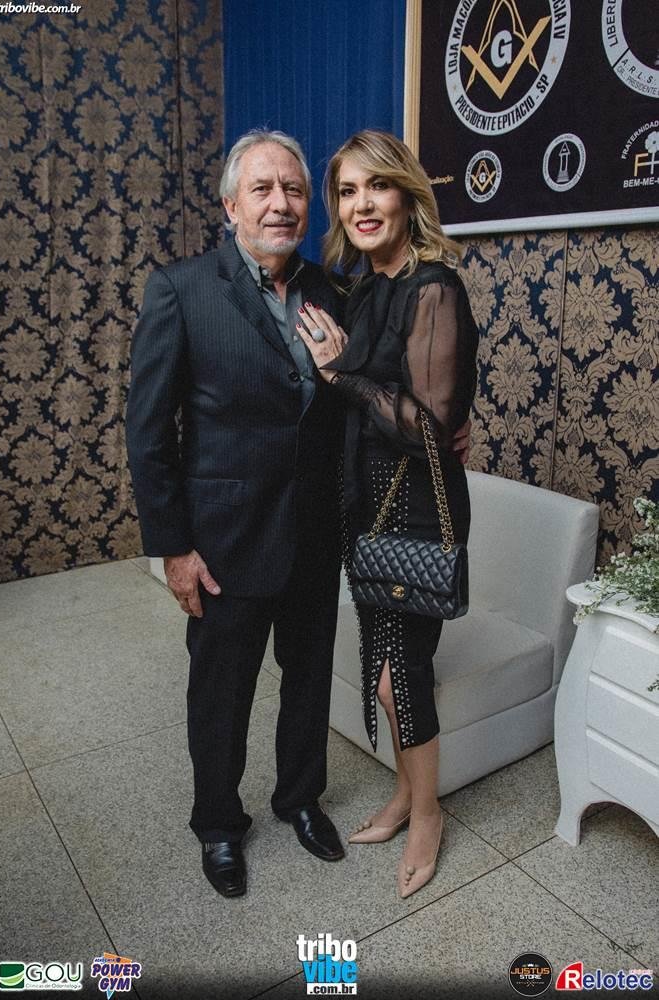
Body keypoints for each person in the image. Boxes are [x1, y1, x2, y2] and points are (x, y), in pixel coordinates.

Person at [126, 128, 471, 900]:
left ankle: (299, 800)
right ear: (230, 206)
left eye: (292, 190)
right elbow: (148, 434)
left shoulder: (333, 288)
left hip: (320, 531)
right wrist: (173, 548)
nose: (280, 203)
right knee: (221, 692)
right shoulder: (180, 290)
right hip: (224, 541)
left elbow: (382, 383)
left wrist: (447, 418)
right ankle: (219, 824)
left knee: (308, 681)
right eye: (262, 189)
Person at [296, 130, 479, 899]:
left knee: (396, 678)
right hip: (365, 507)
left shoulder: (432, 286)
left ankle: (426, 814)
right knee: (384, 670)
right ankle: (406, 795)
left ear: (406, 194)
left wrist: (338, 374)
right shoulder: (361, 289)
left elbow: (429, 426)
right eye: (347, 191)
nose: (362, 203)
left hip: (415, 510)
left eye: (376, 186)